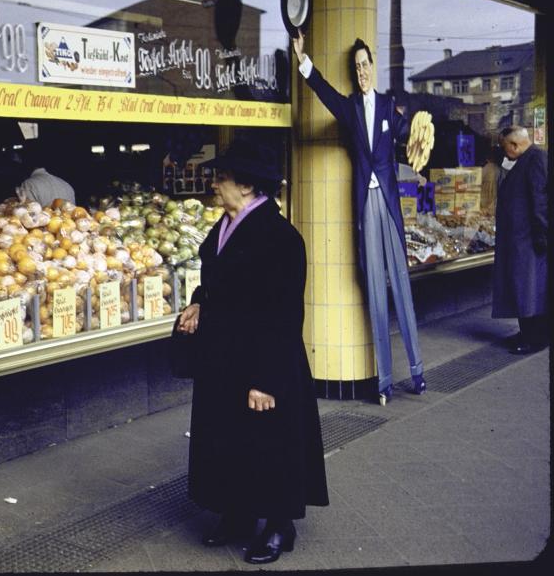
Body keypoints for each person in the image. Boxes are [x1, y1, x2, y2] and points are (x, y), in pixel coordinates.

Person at [176, 139, 328, 565]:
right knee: (227, 437)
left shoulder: (280, 238)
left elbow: (283, 313)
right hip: (223, 359)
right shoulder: (224, 226)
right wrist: (199, 301)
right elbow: (219, 281)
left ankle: (280, 525)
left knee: (268, 442)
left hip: (262, 361)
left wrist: (267, 380)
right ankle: (237, 512)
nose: (213, 183)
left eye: (221, 177)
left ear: (245, 185)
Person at [292, 31, 426, 404]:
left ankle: (417, 372)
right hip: (365, 207)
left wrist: (418, 135)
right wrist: (304, 61)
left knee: (401, 287)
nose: (362, 71)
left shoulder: (388, 105)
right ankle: (384, 381)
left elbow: (408, 133)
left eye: (366, 64)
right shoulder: (349, 108)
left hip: (389, 204)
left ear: (374, 67)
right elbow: (324, 93)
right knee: (375, 294)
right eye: (357, 67)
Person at [492, 125, 549, 354]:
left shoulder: (535, 159)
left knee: (529, 290)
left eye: (504, 146)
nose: (503, 152)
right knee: (524, 289)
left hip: (529, 240)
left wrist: (542, 237)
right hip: (523, 239)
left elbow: (540, 200)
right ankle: (528, 333)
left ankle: (535, 339)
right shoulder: (529, 158)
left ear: (514, 145)